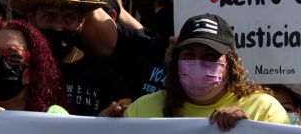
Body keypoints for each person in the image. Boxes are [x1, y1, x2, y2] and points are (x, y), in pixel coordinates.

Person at [122, 13, 290, 131]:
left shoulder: (263, 110)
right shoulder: (141, 110)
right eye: (189, 55)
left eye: (210, 56)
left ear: (231, 65)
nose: (198, 63)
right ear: (175, 61)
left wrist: (248, 130)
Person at [10, 0, 132, 116]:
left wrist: (102, 122)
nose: (58, 27)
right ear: (31, 16)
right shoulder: (13, 68)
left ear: (81, 21)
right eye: (49, 16)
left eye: (69, 18)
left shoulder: (107, 80)